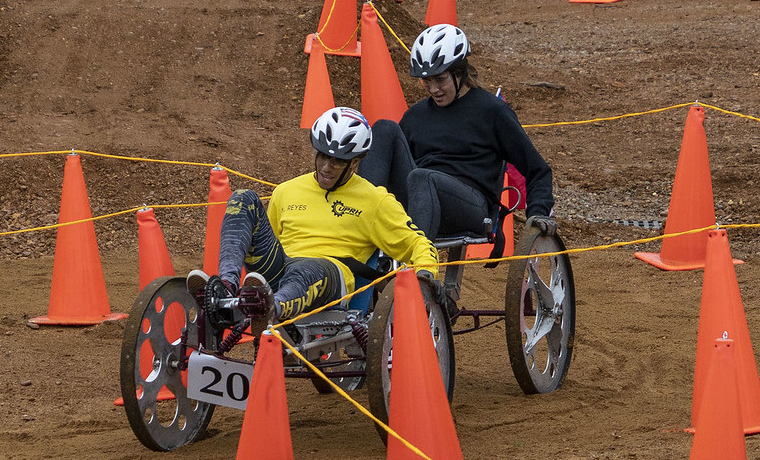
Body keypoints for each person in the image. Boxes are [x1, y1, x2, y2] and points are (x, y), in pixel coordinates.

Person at [190, 108, 440, 337]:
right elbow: (271, 243)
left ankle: (269, 310)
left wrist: (426, 273)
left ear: (355, 163)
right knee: (242, 198)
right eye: (322, 156)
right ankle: (224, 290)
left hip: (330, 275)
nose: (327, 167)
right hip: (281, 268)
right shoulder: (286, 191)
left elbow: (418, 244)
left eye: (338, 161)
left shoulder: (376, 201)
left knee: (308, 269)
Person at [372, 24, 559, 251]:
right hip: (420, 199)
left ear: (460, 72)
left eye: (440, 80)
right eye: (426, 81)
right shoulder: (416, 115)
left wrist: (538, 212)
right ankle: (354, 222)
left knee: (423, 177)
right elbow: (398, 166)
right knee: (383, 128)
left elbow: (537, 169)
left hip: (470, 206)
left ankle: (417, 269)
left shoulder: (492, 111)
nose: (433, 89)